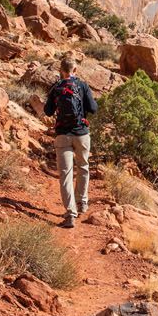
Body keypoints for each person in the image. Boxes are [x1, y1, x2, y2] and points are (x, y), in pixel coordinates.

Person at [44, 56, 98, 228]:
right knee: (83, 167)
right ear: (75, 70)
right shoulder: (82, 86)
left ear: (61, 70)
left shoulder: (56, 88)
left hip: (62, 135)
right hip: (82, 134)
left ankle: (70, 214)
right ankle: (82, 202)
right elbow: (94, 109)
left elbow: (47, 111)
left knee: (65, 174)